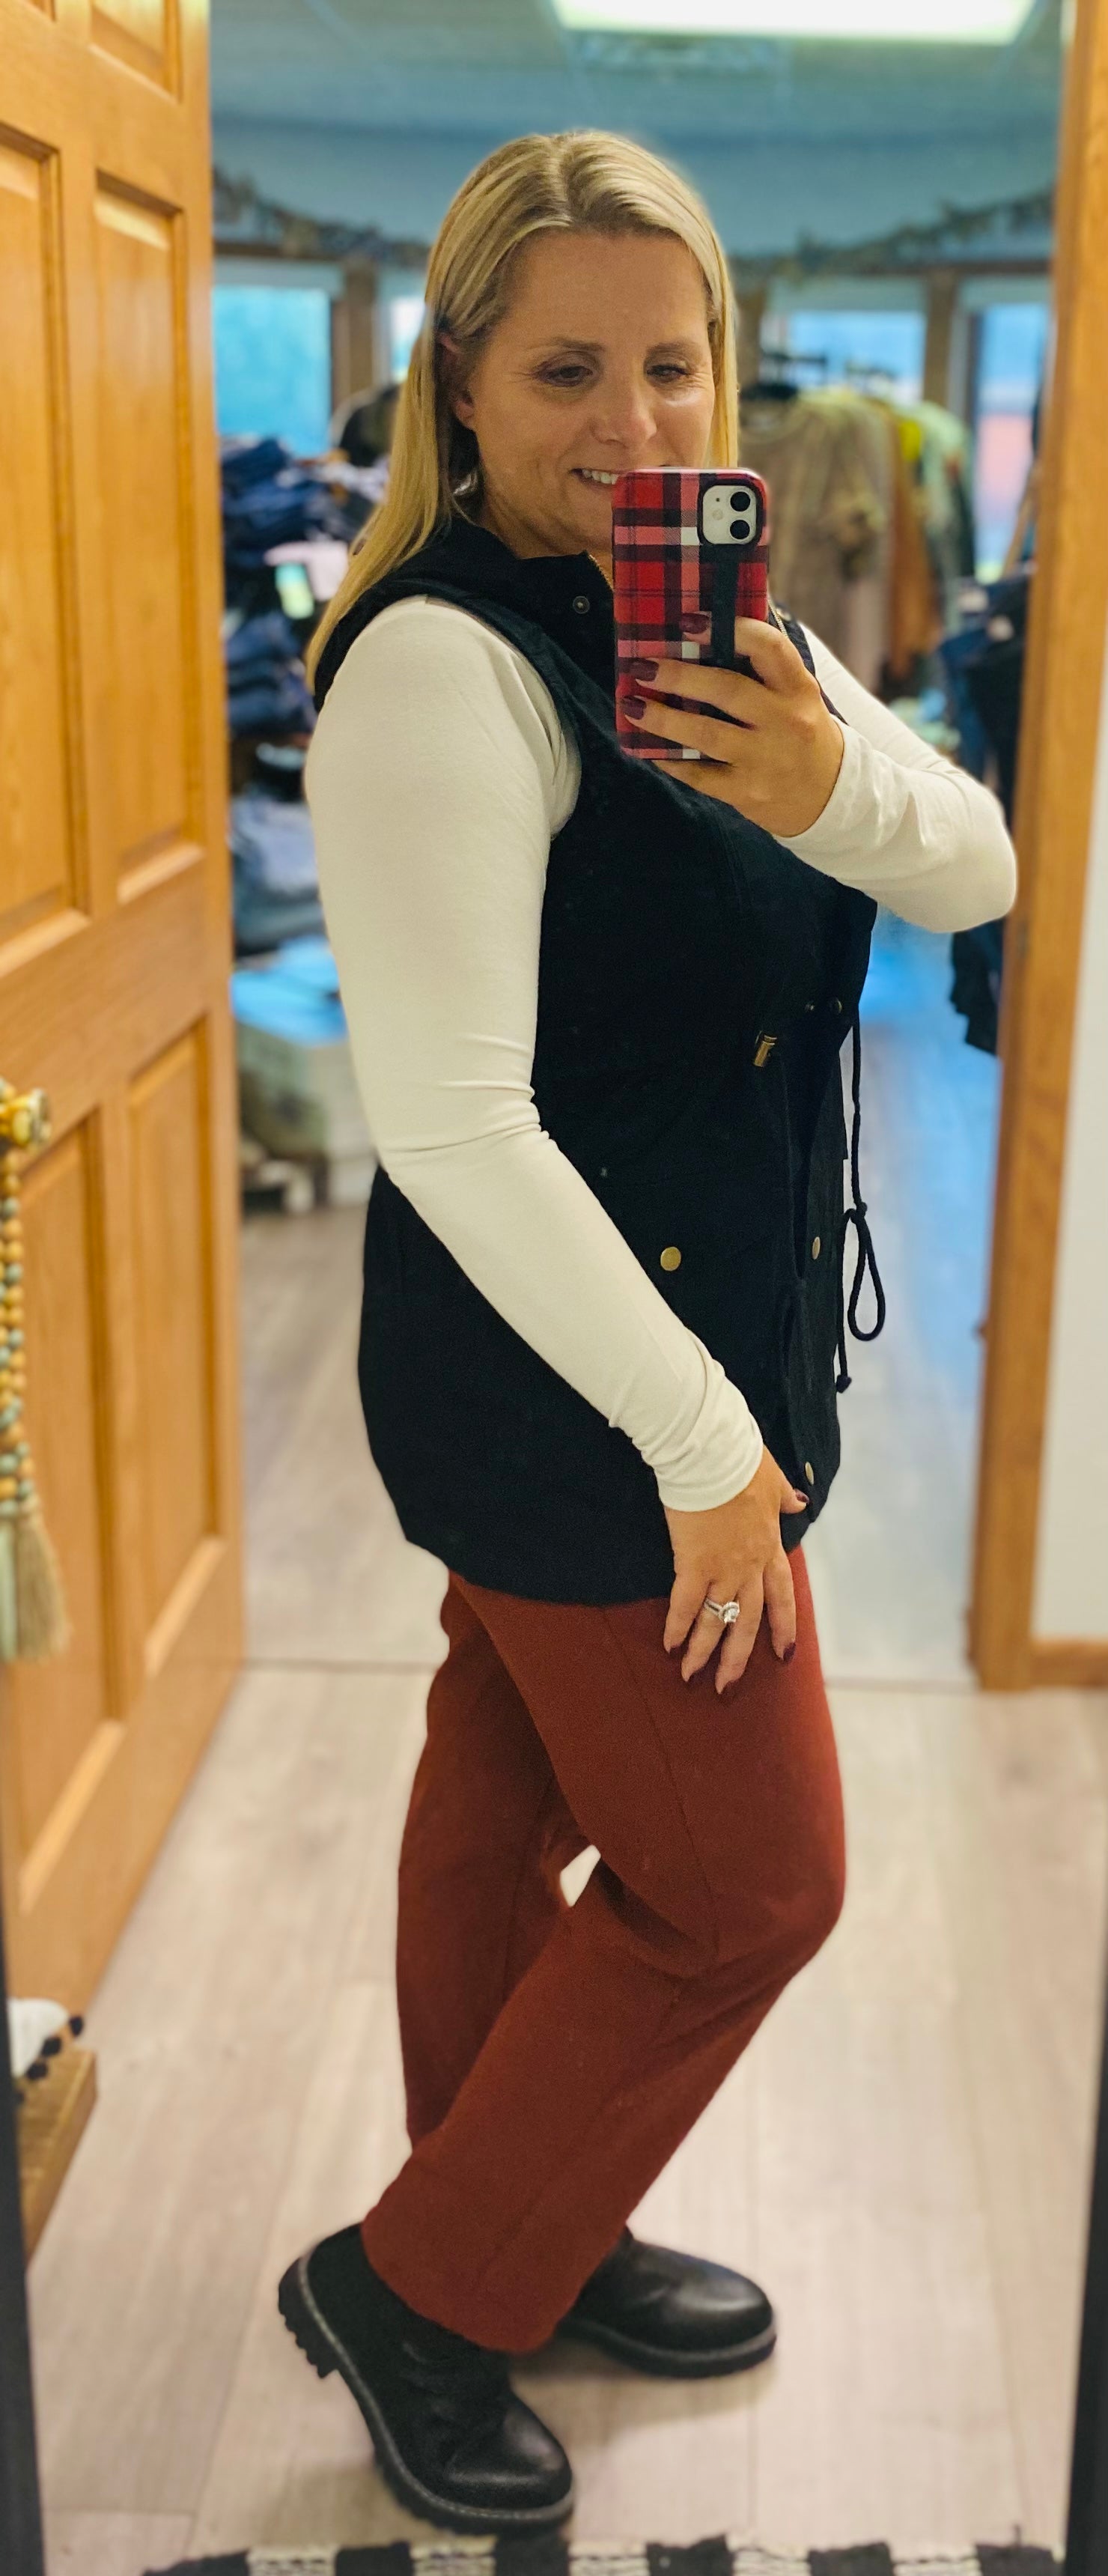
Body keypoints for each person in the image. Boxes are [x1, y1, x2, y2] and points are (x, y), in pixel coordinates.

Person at [284, 131, 1017, 2539]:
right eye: (566, 371)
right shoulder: (438, 671)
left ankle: (517, 2215)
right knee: (754, 1882)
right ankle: (421, 2285)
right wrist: (708, 1454)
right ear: (461, 389)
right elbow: (455, 1128)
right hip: (579, 1393)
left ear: (731, 375)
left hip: (674, 1347)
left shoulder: (726, 636)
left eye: (676, 365)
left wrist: (828, 775)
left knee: (507, 1771)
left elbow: (985, 861)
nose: (633, 423)